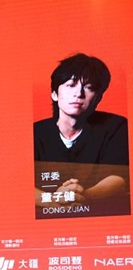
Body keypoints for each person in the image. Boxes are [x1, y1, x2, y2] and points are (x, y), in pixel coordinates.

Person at [34, 53, 129, 216]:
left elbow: (119, 178)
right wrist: (53, 201)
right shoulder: (35, 132)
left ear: (98, 97)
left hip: (98, 215)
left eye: (89, 87)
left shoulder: (115, 126)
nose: (78, 93)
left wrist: (83, 195)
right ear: (55, 94)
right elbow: (18, 184)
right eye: (70, 85)